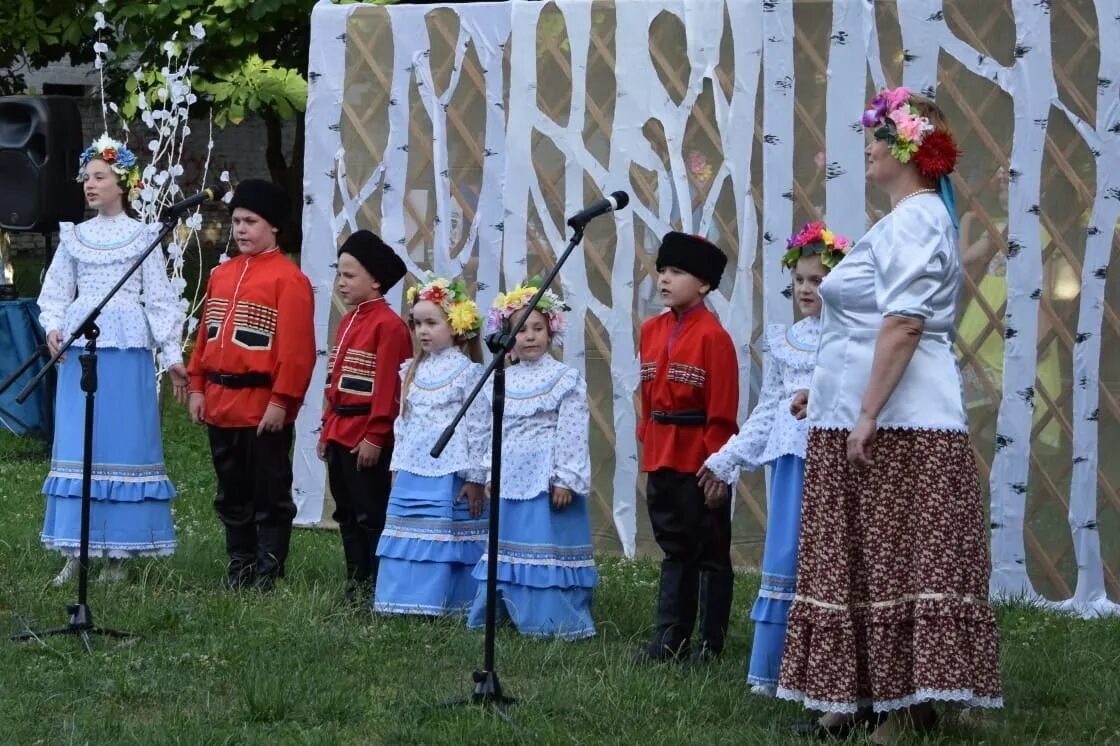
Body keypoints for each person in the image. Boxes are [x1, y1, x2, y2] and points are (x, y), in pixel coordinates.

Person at [778, 88, 1002, 743]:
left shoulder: (918, 219)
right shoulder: (901, 219)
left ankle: (905, 708)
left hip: (904, 420)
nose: (868, 148)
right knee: (857, 557)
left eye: (877, 137)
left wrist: (869, 412)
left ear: (904, 148)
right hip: (857, 411)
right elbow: (862, 325)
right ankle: (856, 696)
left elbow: (904, 325)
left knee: (895, 557)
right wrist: (825, 397)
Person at [698, 222, 849, 694]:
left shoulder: (851, 339)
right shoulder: (787, 340)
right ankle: (777, 669)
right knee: (785, 555)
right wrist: (728, 458)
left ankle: (825, 672)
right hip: (790, 463)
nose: (806, 289)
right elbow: (768, 411)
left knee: (826, 560)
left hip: (833, 463)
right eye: (801, 280)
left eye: (818, 281)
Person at [38, 134, 187, 585]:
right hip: (82, 347)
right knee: (78, 444)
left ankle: (118, 554)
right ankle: (76, 550)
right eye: (87, 178)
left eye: (99, 177)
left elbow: (160, 300)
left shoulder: (143, 236)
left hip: (127, 349)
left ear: (122, 182)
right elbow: (56, 292)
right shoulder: (74, 236)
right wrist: (53, 328)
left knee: (122, 443)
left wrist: (174, 353)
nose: (90, 185)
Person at [187, 179, 316, 592]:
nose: (241, 229)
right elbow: (205, 337)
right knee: (231, 490)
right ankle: (239, 566)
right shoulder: (222, 275)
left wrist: (282, 401)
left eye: (251, 221)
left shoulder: (288, 280)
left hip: (261, 406)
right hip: (221, 402)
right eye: (237, 221)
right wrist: (196, 386)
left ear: (274, 226)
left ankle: (268, 571)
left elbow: (297, 352)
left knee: (269, 491)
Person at [466, 279, 597, 639]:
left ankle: (550, 618)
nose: (529, 336)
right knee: (507, 542)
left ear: (551, 329)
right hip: (510, 476)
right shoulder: (503, 378)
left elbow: (571, 431)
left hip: (545, 477)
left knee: (544, 543)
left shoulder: (563, 379)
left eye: (537, 328)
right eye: (520, 330)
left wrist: (566, 477)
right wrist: (489, 471)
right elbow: (493, 429)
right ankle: (503, 608)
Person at [636, 231, 739, 663]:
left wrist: (716, 467)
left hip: (698, 457)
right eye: (662, 270)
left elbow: (723, 409)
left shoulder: (714, 337)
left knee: (709, 550)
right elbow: (646, 396)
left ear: (704, 285)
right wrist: (647, 440)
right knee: (674, 544)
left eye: (677, 272)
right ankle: (670, 634)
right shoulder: (650, 330)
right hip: (662, 451)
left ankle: (709, 643)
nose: (664, 279)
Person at [372, 274, 490, 616]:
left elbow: (480, 427)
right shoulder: (412, 371)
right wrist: (396, 465)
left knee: (444, 534)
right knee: (407, 533)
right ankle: (402, 599)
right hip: (412, 469)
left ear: (454, 325)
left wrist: (475, 477)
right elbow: (403, 424)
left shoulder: (467, 373)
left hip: (448, 471)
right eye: (417, 323)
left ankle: (443, 600)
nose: (422, 331)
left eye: (431, 323)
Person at [317, 230, 411, 602]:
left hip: (364, 436)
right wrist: (326, 430)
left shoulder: (388, 326)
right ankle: (355, 580)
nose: (342, 282)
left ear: (375, 279)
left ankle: (376, 583)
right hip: (340, 430)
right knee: (345, 510)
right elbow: (334, 384)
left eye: (350, 275)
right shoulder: (348, 322)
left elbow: (389, 389)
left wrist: (375, 435)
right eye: (340, 274)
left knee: (370, 513)